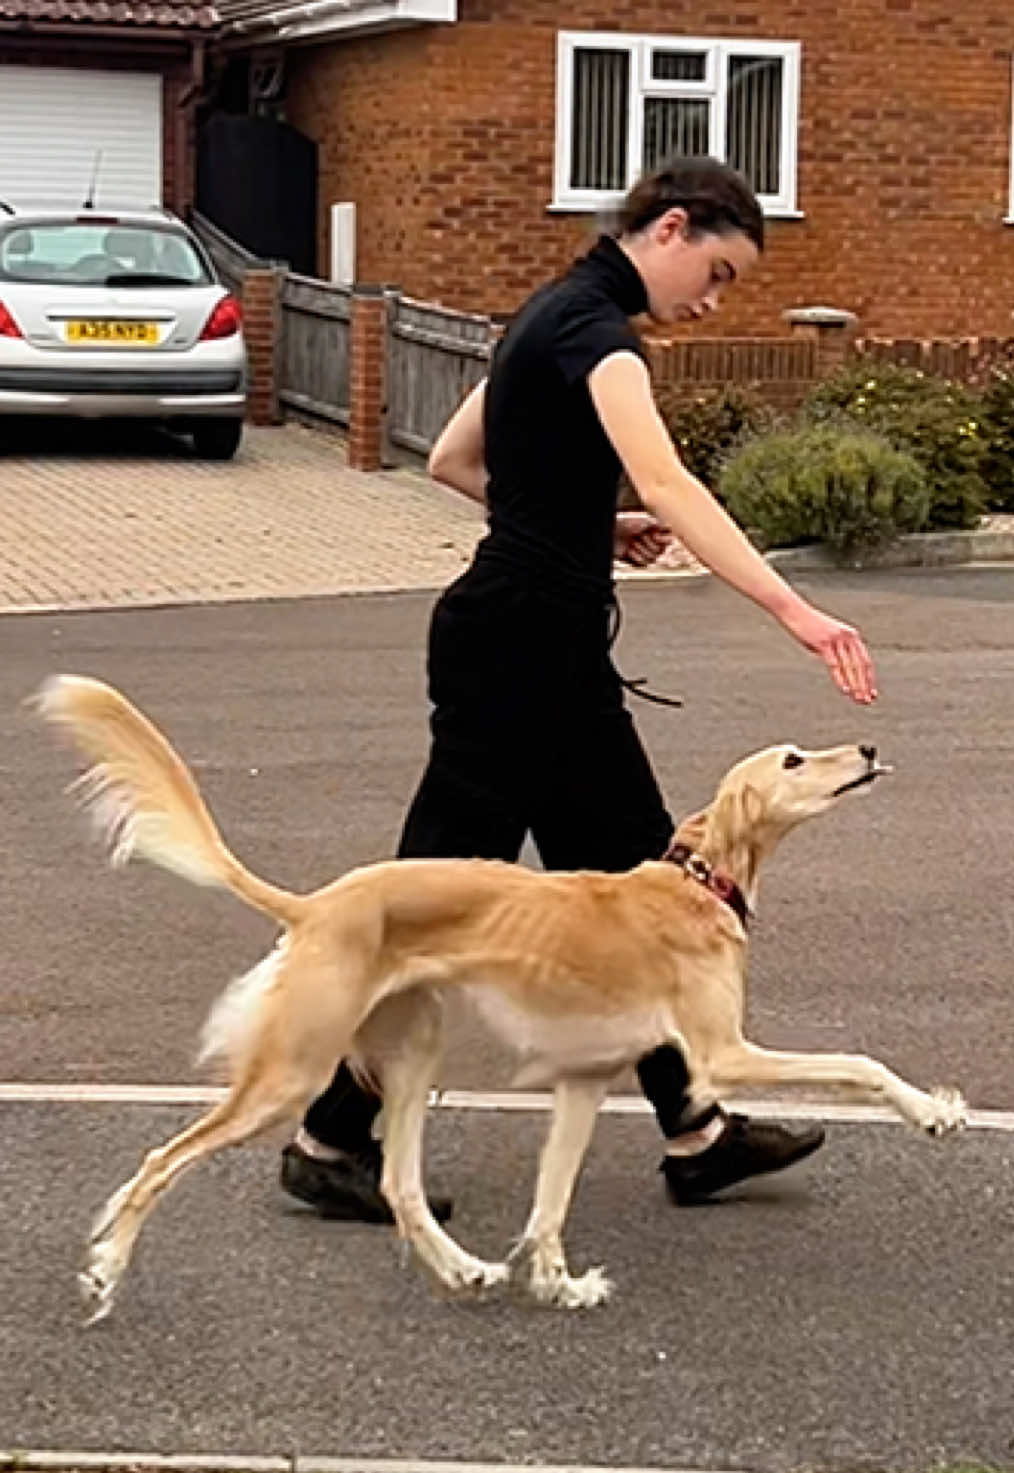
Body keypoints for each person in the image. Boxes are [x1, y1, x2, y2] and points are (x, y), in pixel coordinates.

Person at [280, 154, 877, 1223]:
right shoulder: (603, 339)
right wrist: (796, 610)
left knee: (648, 879)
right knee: (431, 908)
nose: (714, 301)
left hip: (532, 645)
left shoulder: (541, 318)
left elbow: (453, 461)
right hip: (520, 656)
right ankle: (328, 1139)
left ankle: (697, 1132)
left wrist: (584, 530)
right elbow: (671, 481)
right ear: (672, 228)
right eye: (719, 273)